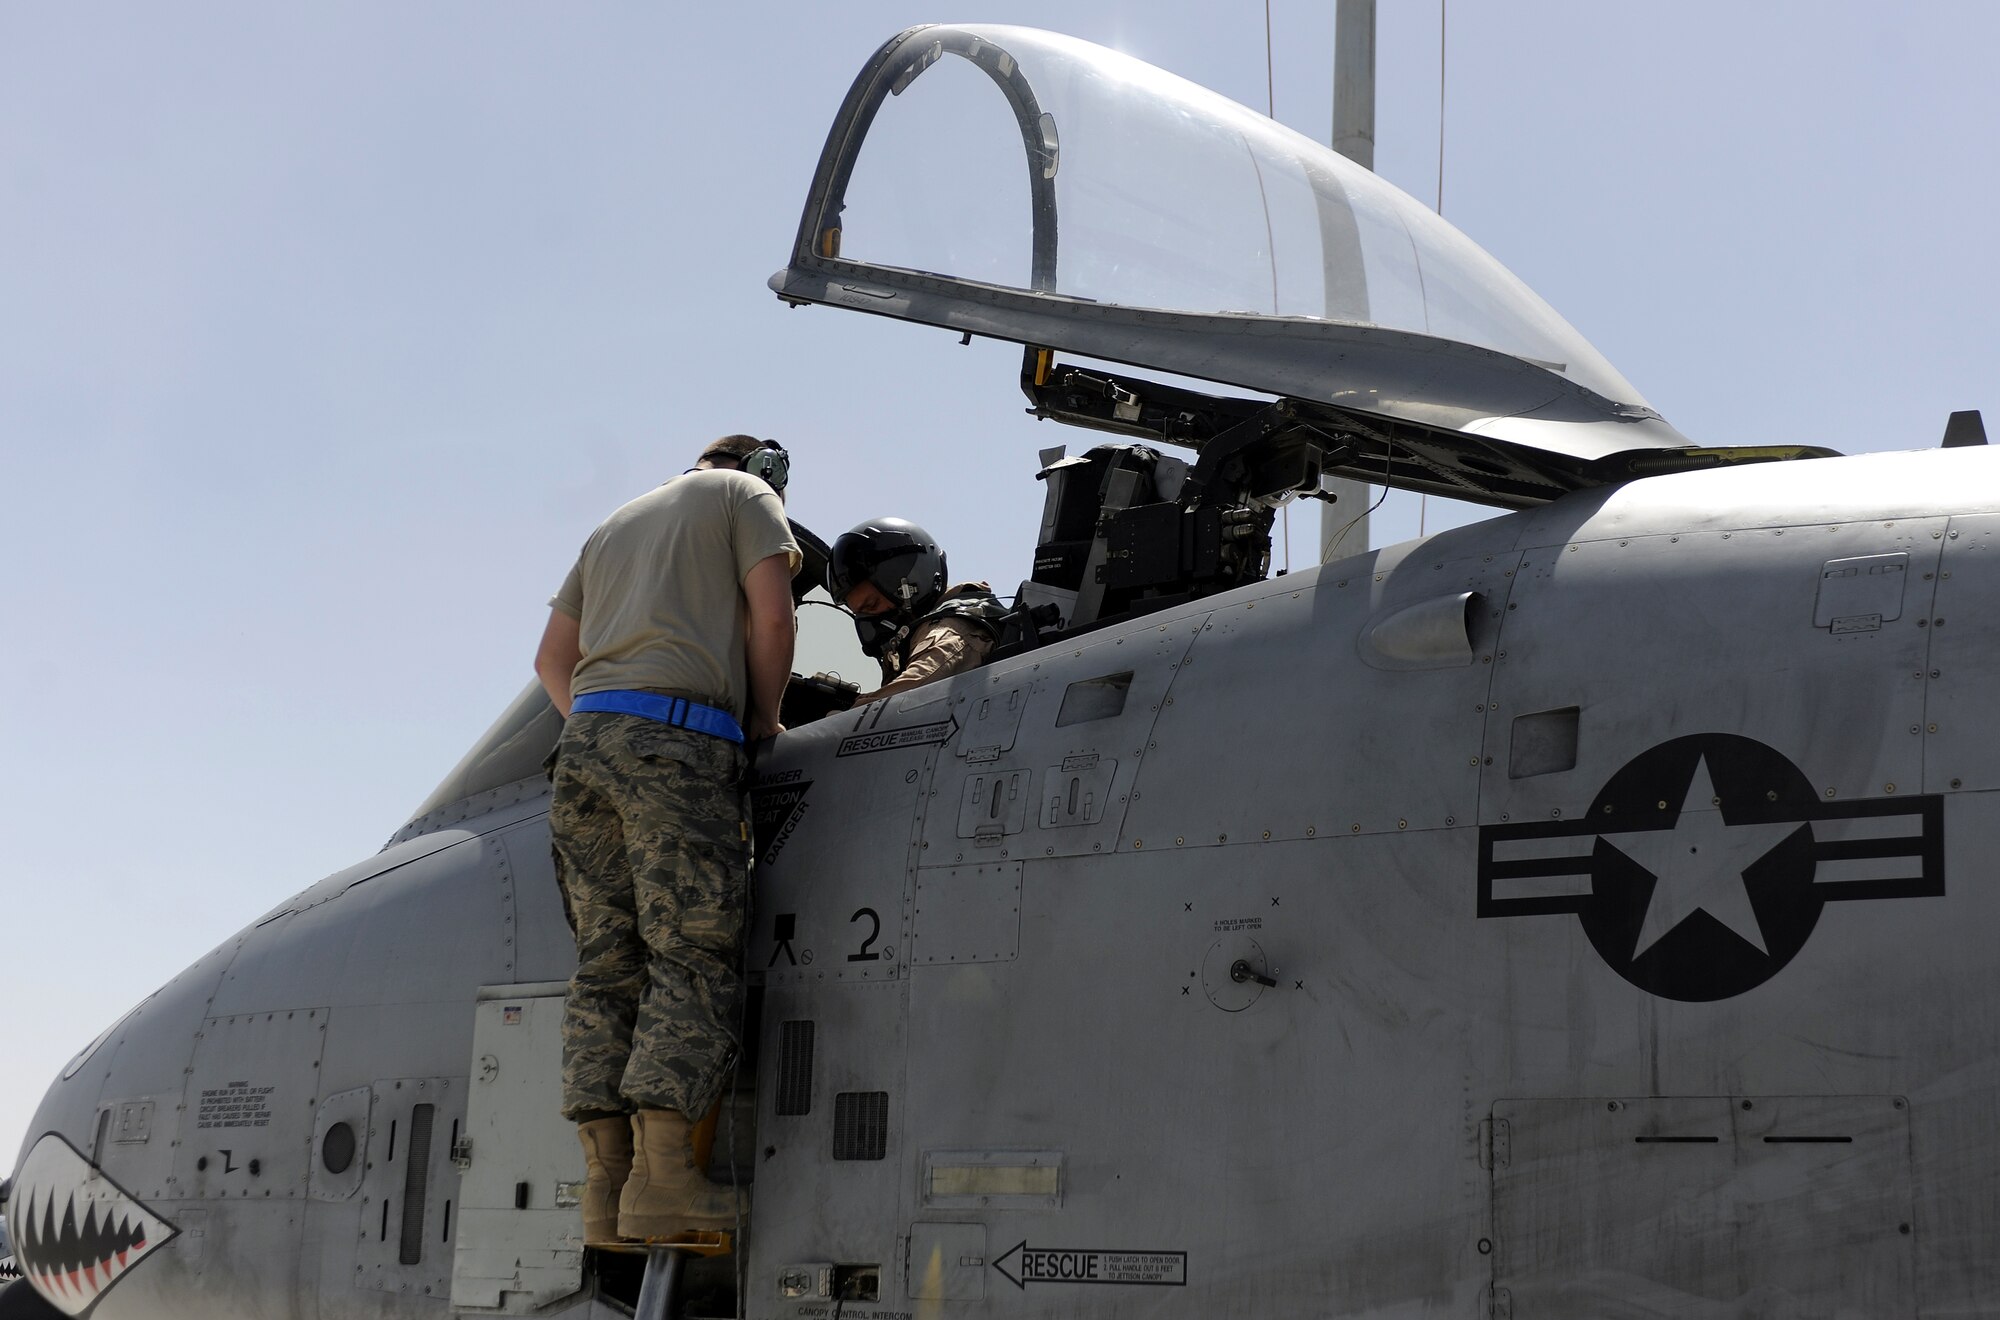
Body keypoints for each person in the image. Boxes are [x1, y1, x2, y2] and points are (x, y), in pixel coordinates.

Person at [532, 434, 798, 1246]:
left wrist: (609, 725)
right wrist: (764, 719)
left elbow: (552, 661)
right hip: (678, 748)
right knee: (690, 952)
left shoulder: (613, 524)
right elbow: (772, 614)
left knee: (606, 965)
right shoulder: (746, 497)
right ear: (761, 469)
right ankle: (666, 1185)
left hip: (583, 752)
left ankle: (606, 1192)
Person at [827, 517, 1007, 704]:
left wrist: (833, 718)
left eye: (872, 605)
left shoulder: (953, 631)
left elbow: (908, 695)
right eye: (859, 613)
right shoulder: (914, 638)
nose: (867, 621)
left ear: (911, 586)